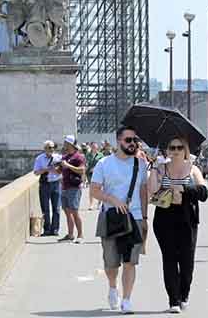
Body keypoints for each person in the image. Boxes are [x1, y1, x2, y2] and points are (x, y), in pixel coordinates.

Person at [90, 126, 148, 314]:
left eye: (135, 140)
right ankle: (112, 286)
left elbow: (143, 191)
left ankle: (127, 300)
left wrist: (145, 217)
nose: (132, 143)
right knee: (111, 263)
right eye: (128, 140)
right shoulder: (104, 164)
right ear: (118, 141)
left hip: (134, 217)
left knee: (130, 262)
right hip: (111, 218)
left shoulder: (141, 164)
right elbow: (94, 191)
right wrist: (113, 200)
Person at [148, 136, 208, 314]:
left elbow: (203, 193)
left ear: (185, 150)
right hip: (164, 218)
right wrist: (153, 169)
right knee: (169, 259)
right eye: (172, 148)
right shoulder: (161, 168)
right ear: (167, 150)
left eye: (179, 148)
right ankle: (174, 300)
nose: (175, 151)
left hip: (187, 218)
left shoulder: (193, 169)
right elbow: (152, 190)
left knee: (187, 261)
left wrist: (184, 189)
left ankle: (184, 294)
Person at [58, 135, 86, 243]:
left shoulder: (79, 157)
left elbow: (82, 170)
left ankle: (80, 235)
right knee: (67, 212)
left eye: (65, 142)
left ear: (70, 144)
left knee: (74, 212)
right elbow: (60, 171)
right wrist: (54, 167)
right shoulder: (65, 156)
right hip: (64, 187)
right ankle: (70, 235)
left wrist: (68, 165)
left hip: (74, 188)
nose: (64, 144)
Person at [33, 141, 63, 236]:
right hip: (45, 184)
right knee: (45, 208)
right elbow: (36, 172)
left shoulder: (58, 157)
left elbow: (62, 170)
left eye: (53, 147)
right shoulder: (39, 158)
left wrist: (56, 170)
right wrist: (46, 169)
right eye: (49, 147)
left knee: (56, 208)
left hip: (56, 184)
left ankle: (55, 229)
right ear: (45, 148)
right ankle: (46, 229)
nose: (51, 149)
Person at [85, 142, 104, 210]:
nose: (94, 148)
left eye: (95, 147)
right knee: (91, 189)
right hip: (90, 174)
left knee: (99, 189)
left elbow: (103, 164)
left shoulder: (100, 155)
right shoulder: (88, 154)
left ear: (97, 147)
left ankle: (99, 204)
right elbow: (86, 162)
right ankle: (91, 204)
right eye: (93, 147)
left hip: (99, 173)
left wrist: (95, 168)